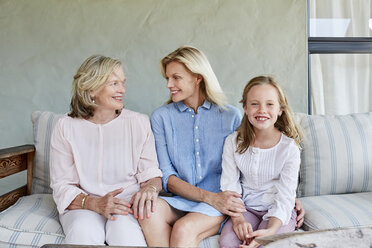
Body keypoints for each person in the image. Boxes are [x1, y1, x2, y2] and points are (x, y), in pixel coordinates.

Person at [139, 46, 304, 247]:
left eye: (176, 78)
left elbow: (250, 164)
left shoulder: (230, 116)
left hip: (222, 201)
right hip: (186, 198)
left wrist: (288, 200)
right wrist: (208, 197)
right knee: (148, 213)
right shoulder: (161, 117)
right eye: (167, 78)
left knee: (184, 228)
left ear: (197, 77)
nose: (169, 84)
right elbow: (166, 176)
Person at [50, 55, 162, 246]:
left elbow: (151, 174)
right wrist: (94, 204)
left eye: (123, 83)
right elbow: (62, 184)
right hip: (83, 205)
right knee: (83, 233)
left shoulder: (138, 123)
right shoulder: (65, 126)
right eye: (114, 83)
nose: (123, 90)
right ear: (91, 89)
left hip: (125, 204)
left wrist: (151, 188)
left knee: (126, 237)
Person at [218, 76, 303, 248]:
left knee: (268, 245)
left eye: (270, 104)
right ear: (245, 108)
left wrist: (270, 232)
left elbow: (286, 196)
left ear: (280, 109)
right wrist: (238, 220)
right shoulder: (233, 142)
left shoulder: (289, 148)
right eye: (254, 103)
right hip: (246, 209)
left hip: (278, 211)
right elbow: (230, 186)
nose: (261, 110)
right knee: (228, 242)